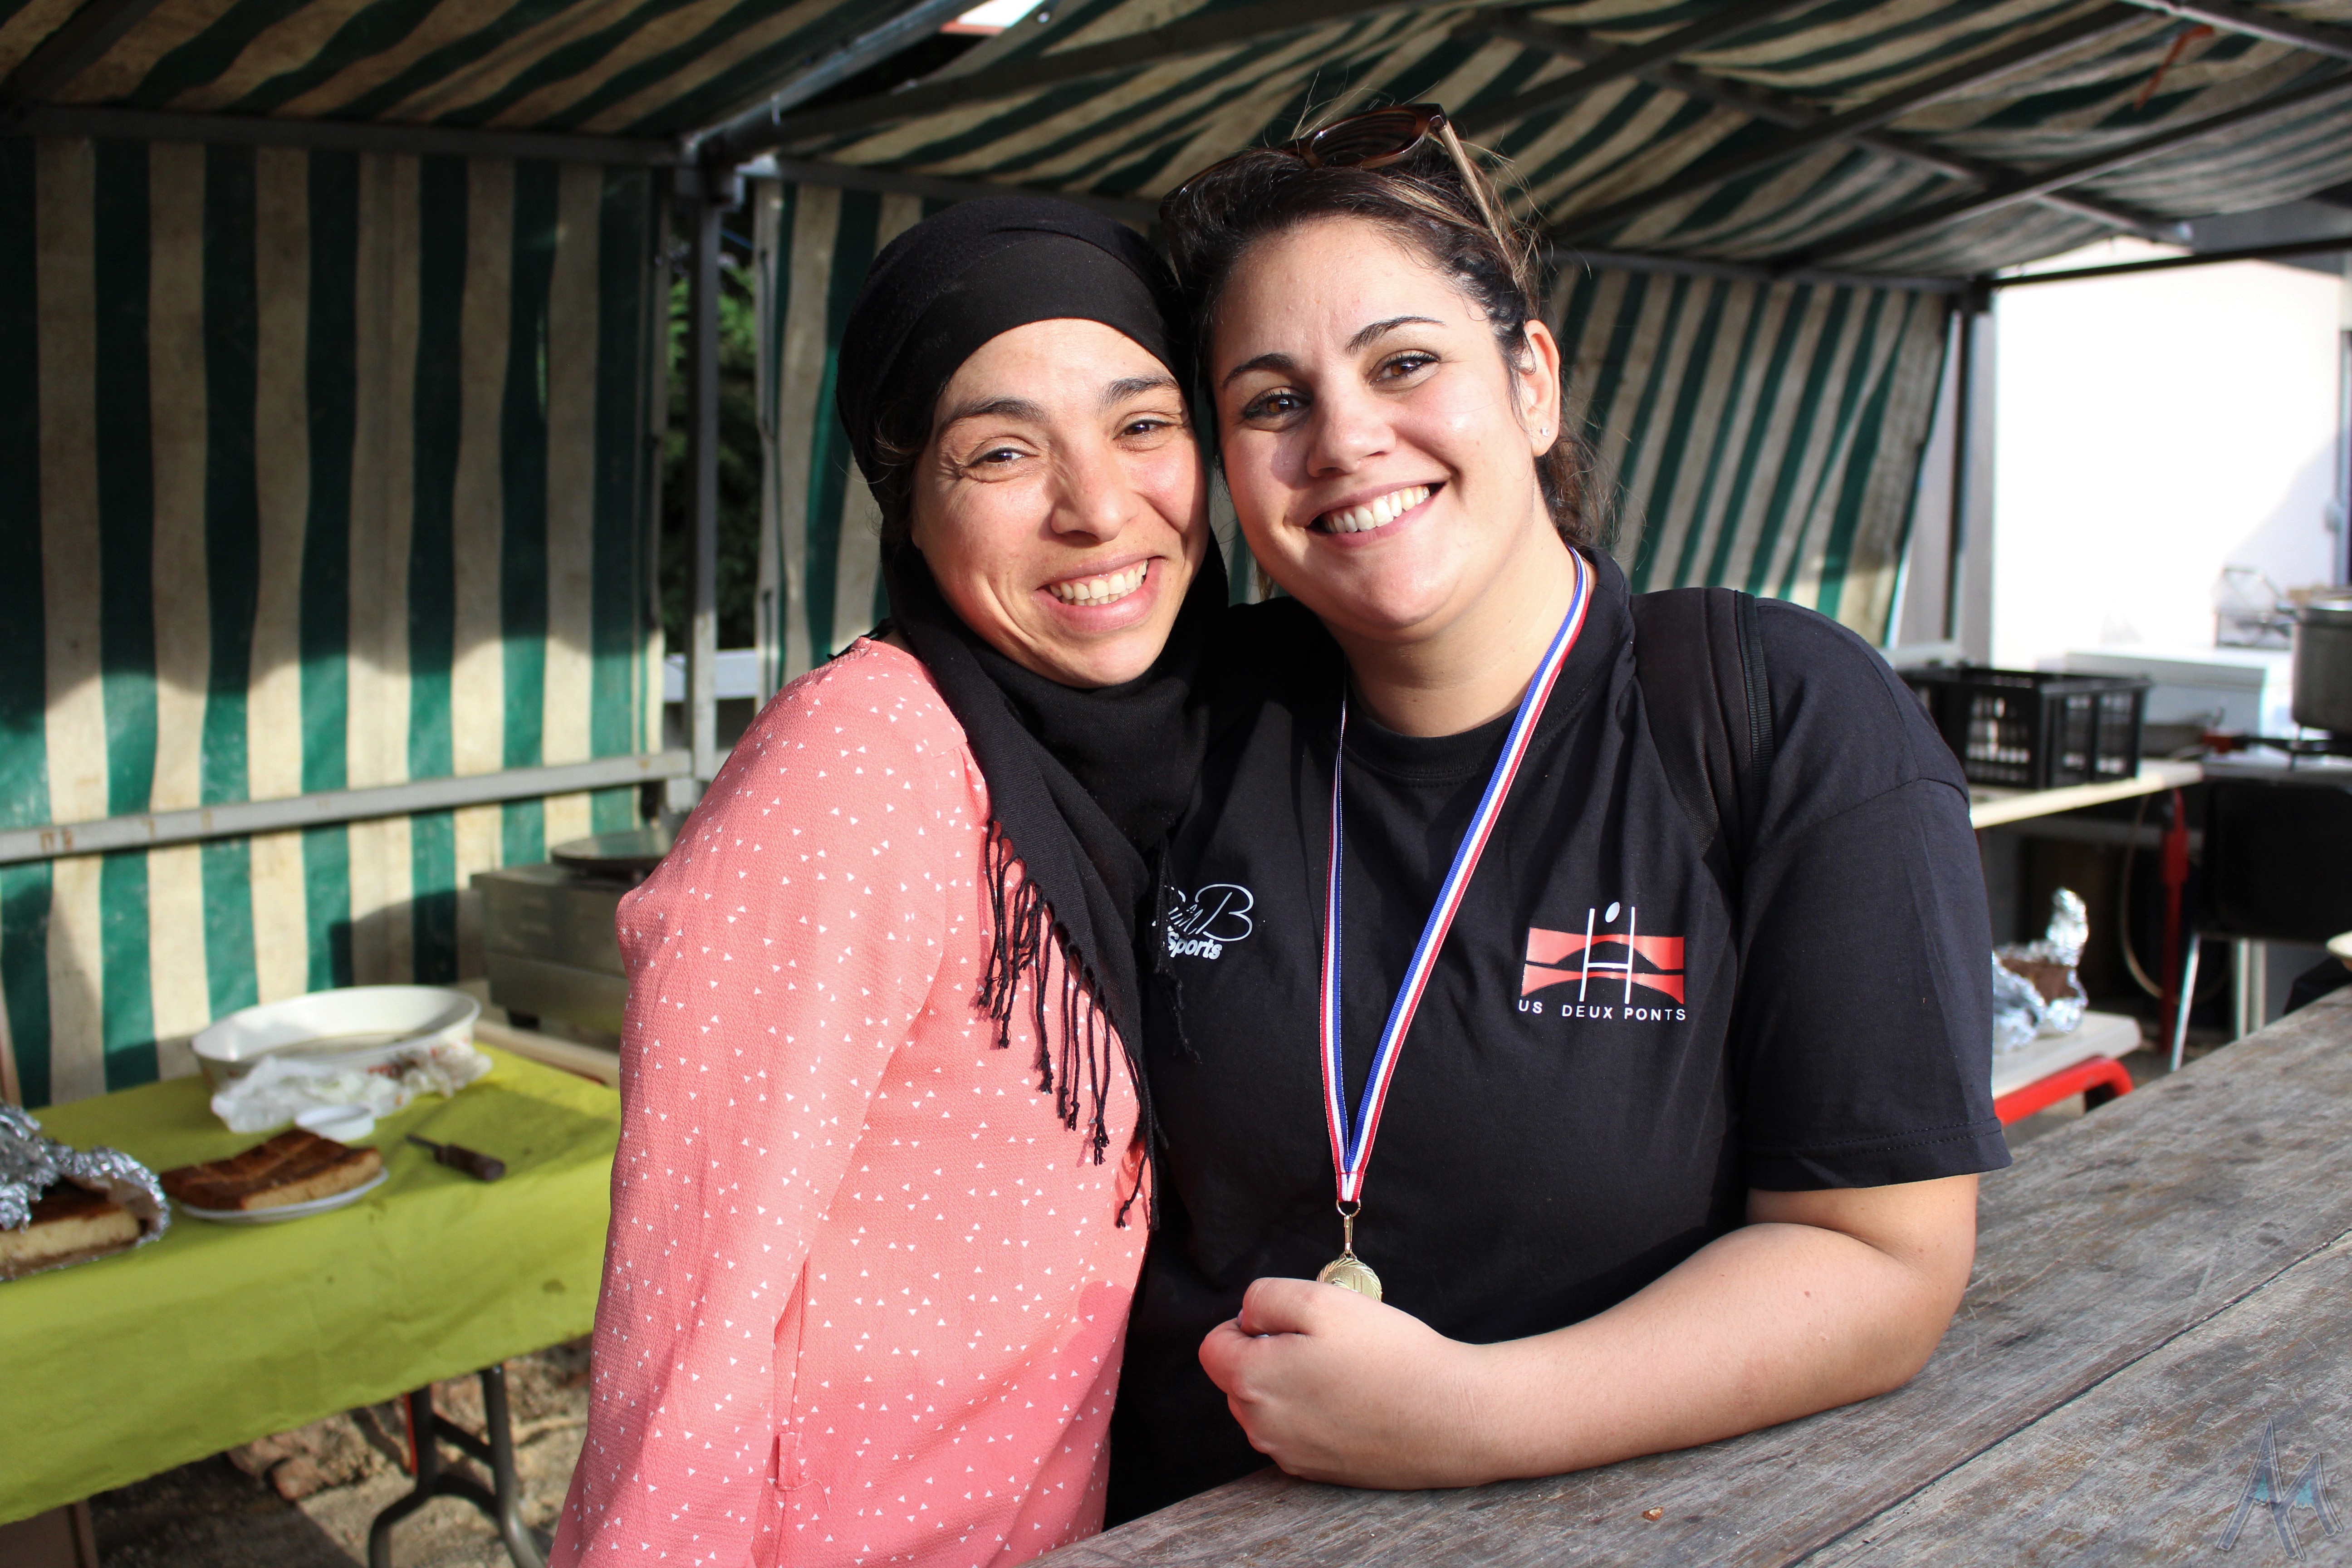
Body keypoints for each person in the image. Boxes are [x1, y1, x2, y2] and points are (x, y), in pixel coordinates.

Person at [1108, 106, 2008, 1518]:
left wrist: (1473, 1416)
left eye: (1405, 363)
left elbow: (1883, 1258)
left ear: (1532, 383)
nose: (1346, 438)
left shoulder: (1777, 713)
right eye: (1272, 402)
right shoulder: (1191, 718)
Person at [552, 197, 1224, 1568]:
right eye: (1002, 451)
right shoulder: (859, 765)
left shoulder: (1218, 745)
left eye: (1144, 425)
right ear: (908, 507)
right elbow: (689, 1308)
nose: (1099, 508)